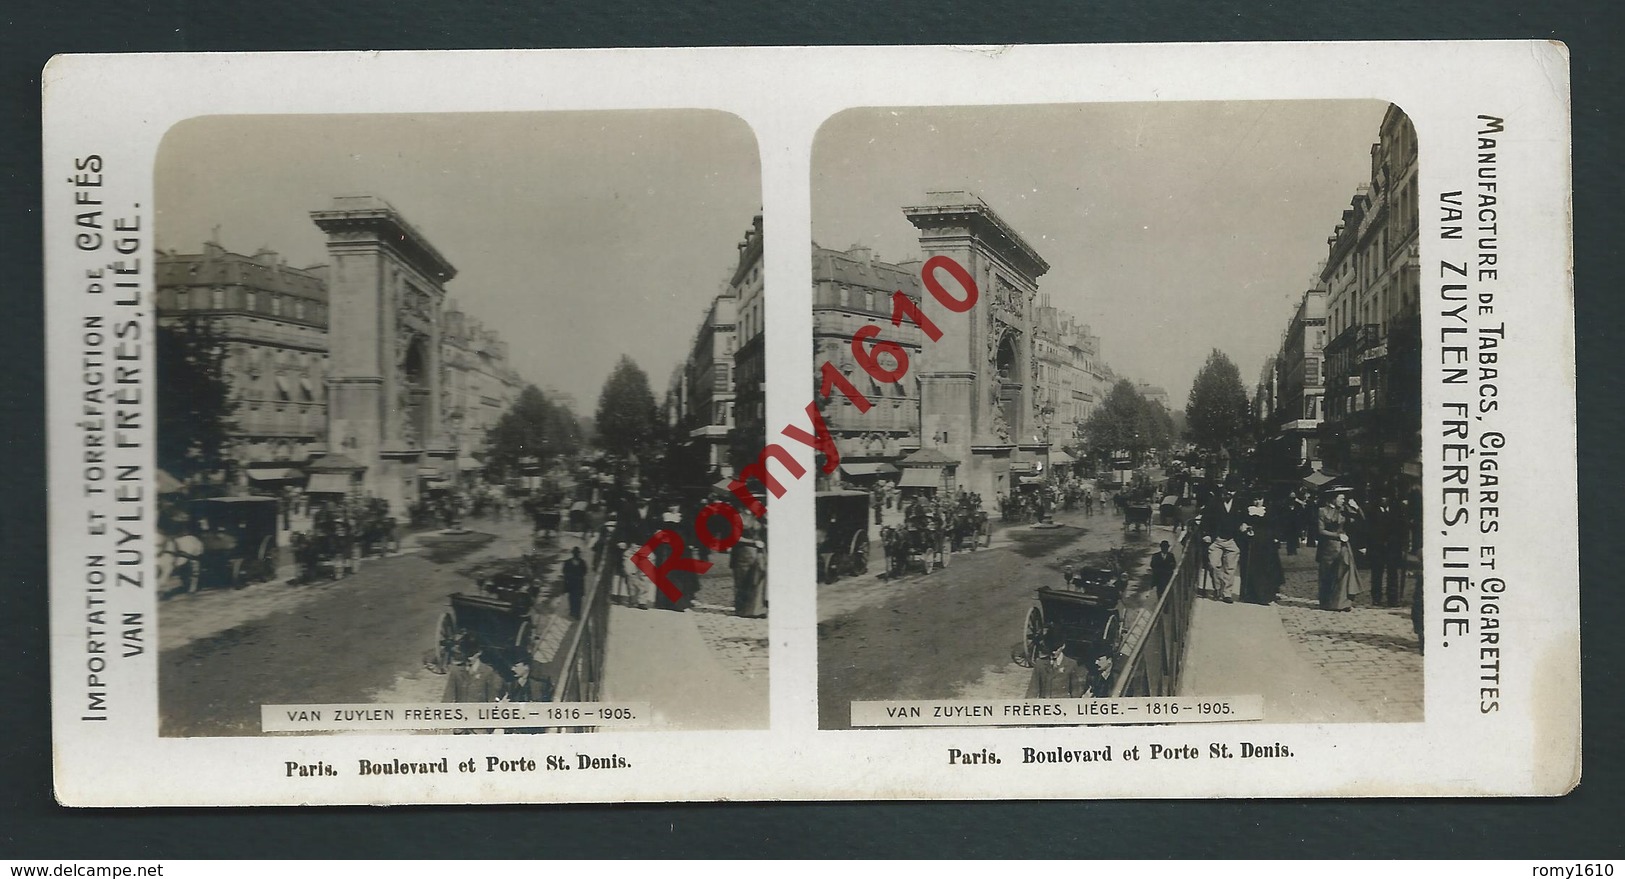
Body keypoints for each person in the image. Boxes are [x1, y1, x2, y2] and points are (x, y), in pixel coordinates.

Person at [1199, 486, 1244, 603]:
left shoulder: (1239, 504)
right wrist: (1206, 534)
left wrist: (1243, 526)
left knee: (1230, 568)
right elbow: (1205, 519)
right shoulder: (1214, 503)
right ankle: (1218, 588)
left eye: (1232, 491)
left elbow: (1244, 518)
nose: (1229, 493)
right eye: (1227, 491)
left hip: (1232, 540)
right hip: (1216, 540)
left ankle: (1227, 594)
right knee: (1213, 565)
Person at [1240, 496, 1284, 605]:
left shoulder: (1269, 511)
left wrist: (1276, 537)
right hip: (1253, 542)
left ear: (1263, 499)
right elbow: (1242, 524)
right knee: (1252, 568)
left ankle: (1264, 596)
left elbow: (1275, 525)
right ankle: (1251, 595)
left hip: (1266, 543)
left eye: (1259, 499)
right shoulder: (1247, 511)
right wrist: (1246, 529)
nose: (1257, 502)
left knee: (1265, 569)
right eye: (1255, 499)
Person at [1317, 490, 1354, 611]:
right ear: (1334, 499)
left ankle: (1342, 603)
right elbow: (1321, 531)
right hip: (1328, 548)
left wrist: (1357, 508)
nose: (1343, 501)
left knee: (1343, 574)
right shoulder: (1322, 511)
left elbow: (1360, 520)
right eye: (1341, 498)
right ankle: (1326, 603)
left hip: (1343, 547)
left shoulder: (1344, 510)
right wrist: (1337, 536)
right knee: (1327, 575)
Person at [731, 525, 768, 618]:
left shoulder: (759, 519)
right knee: (742, 581)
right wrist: (753, 542)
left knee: (757, 582)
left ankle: (757, 610)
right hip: (742, 553)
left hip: (758, 553)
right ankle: (742, 610)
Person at [561, 546, 588, 619]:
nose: (576, 555)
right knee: (573, 598)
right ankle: (573, 613)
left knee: (576, 599)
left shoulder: (579, 562)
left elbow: (584, 572)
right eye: (575, 553)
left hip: (576, 583)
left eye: (577, 553)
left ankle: (576, 613)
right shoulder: (571, 562)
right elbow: (564, 571)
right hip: (573, 583)